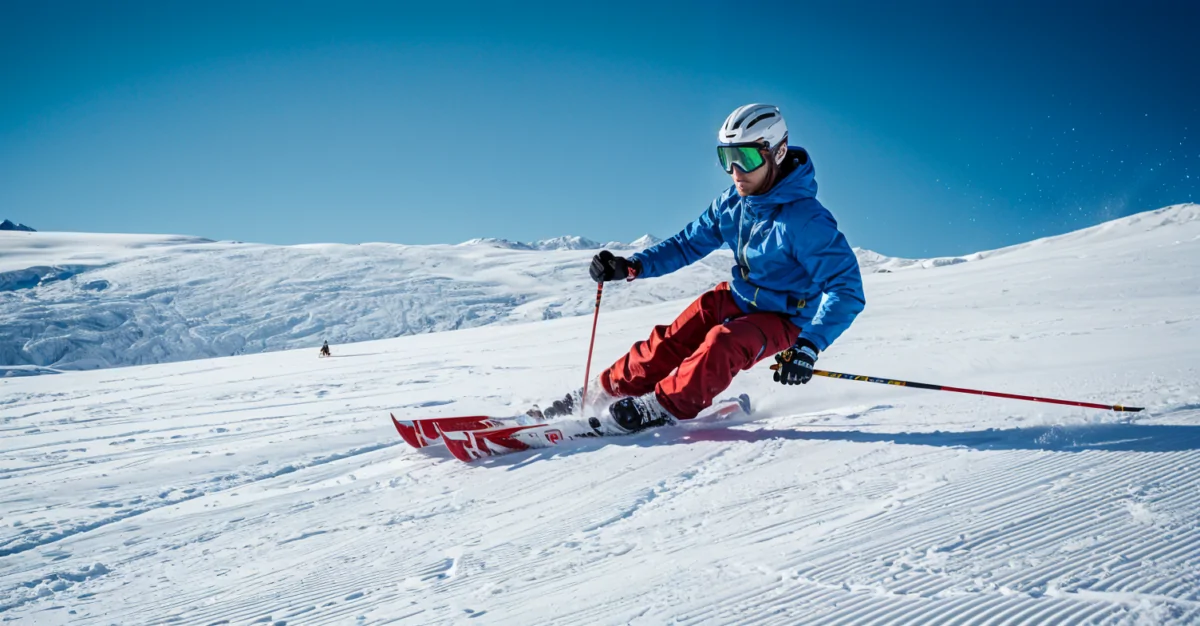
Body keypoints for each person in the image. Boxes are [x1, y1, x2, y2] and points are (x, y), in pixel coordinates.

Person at [533, 104, 866, 433]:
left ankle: (662, 407)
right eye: (726, 158)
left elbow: (846, 289)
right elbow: (687, 243)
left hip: (785, 317)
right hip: (738, 296)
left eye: (746, 158)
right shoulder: (732, 203)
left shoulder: (806, 221)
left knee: (725, 342)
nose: (736, 171)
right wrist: (633, 266)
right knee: (672, 338)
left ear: (776, 153)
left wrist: (809, 346)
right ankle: (601, 393)